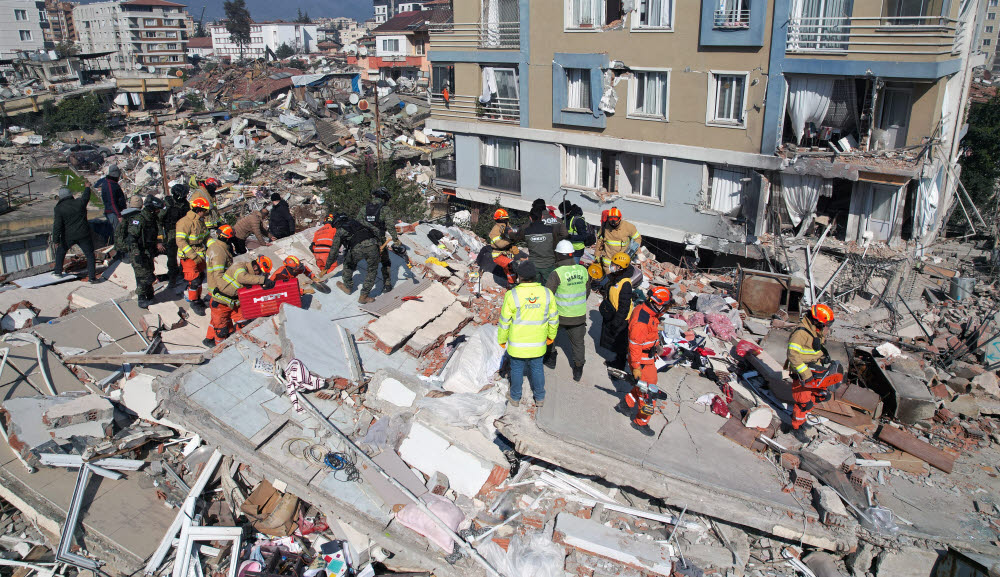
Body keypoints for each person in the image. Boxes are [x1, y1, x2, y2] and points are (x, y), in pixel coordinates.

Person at [497, 260, 558, 409]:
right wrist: (551, 336)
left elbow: (504, 321)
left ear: (520, 277)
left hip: (517, 344)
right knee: (537, 369)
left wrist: (502, 339)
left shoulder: (512, 295)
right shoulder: (546, 293)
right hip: (538, 343)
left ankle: (515, 397)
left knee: (516, 369)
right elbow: (554, 319)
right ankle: (540, 398)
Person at [622, 286, 672, 436]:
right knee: (648, 393)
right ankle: (641, 422)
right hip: (641, 361)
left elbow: (650, 334)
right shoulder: (641, 322)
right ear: (656, 303)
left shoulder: (648, 312)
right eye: (664, 305)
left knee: (644, 386)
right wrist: (636, 367)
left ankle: (626, 404)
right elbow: (635, 346)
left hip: (647, 359)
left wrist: (656, 346)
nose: (665, 309)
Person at [785, 304, 836, 432]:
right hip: (803, 373)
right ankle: (796, 427)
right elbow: (793, 355)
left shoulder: (814, 330)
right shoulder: (800, 333)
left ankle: (801, 419)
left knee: (822, 395)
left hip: (814, 369)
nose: (826, 327)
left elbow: (811, 349)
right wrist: (806, 375)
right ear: (816, 321)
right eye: (824, 324)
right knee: (803, 403)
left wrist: (822, 356)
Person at [544, 240, 590, 381]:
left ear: (558, 255)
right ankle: (578, 370)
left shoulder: (556, 273)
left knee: (549, 336)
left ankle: (551, 359)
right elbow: (587, 291)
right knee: (578, 343)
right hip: (578, 316)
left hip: (559, 315)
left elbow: (548, 295)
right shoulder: (583, 270)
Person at [208, 255, 274, 346]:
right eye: (260, 272)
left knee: (244, 322)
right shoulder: (239, 267)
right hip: (220, 304)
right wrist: (263, 280)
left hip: (234, 304)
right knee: (221, 331)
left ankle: (241, 341)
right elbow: (242, 277)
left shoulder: (251, 274)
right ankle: (219, 348)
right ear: (255, 267)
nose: (260, 275)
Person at [327, 214, 380, 304]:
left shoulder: (340, 230)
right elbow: (376, 230)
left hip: (357, 249)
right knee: (372, 271)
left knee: (348, 265)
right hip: (373, 246)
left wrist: (327, 266)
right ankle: (363, 296)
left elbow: (334, 250)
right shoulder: (359, 221)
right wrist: (378, 243)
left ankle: (347, 287)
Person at [358, 186, 400, 293]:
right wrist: (395, 239)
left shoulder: (364, 208)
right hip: (379, 241)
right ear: (384, 198)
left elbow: (357, 223)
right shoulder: (385, 209)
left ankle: (364, 291)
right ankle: (387, 285)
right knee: (385, 262)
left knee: (371, 264)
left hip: (365, 241)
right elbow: (390, 225)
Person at [126, 195, 165, 309]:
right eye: (157, 209)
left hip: (148, 252)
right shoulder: (139, 219)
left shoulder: (152, 219)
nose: (158, 212)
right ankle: (141, 298)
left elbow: (155, 233)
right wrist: (137, 253)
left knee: (149, 272)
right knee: (144, 277)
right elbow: (132, 238)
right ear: (152, 209)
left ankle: (149, 295)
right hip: (138, 253)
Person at [175, 197, 212, 316]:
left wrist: (214, 247)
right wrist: (192, 255)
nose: (206, 213)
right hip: (188, 256)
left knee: (200, 277)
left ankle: (198, 298)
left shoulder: (200, 221)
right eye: (205, 210)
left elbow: (206, 237)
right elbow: (180, 241)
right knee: (194, 280)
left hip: (200, 253)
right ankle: (193, 301)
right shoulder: (184, 222)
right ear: (198, 209)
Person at [52, 186, 97, 283]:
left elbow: (57, 226)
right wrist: (87, 188)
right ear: (70, 195)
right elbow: (86, 197)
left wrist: (56, 240)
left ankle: (58, 272)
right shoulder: (79, 202)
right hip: (83, 234)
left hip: (68, 236)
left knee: (61, 252)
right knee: (89, 255)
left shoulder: (59, 209)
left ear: (61, 197)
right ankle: (92, 278)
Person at [598, 252, 635, 370]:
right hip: (614, 314)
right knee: (614, 341)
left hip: (622, 318)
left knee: (620, 345)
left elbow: (624, 307)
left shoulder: (625, 284)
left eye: (614, 264)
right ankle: (617, 361)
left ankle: (619, 367)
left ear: (620, 267)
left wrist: (616, 322)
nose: (611, 266)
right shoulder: (615, 277)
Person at [204, 224, 236, 345]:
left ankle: (209, 338)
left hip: (215, 287)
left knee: (216, 316)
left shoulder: (216, 247)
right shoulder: (219, 252)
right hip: (218, 289)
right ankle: (218, 341)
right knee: (221, 317)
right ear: (228, 238)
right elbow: (219, 274)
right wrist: (226, 290)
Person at [523, 206, 567, 284]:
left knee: (536, 286)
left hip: (534, 264)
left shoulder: (527, 231)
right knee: (550, 286)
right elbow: (559, 239)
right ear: (542, 217)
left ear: (530, 218)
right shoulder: (551, 229)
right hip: (549, 264)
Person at [160, 183, 190, 286]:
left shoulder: (185, 205)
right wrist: (160, 237)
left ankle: (183, 273)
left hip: (181, 230)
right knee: (172, 256)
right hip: (170, 232)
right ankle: (172, 277)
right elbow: (159, 219)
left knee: (184, 253)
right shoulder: (167, 203)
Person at [595, 207, 641, 273]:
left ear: (620, 218)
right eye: (610, 219)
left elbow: (637, 238)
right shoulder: (605, 227)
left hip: (622, 261)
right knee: (609, 280)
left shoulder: (628, 227)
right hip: (608, 261)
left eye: (615, 218)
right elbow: (600, 241)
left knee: (620, 280)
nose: (613, 221)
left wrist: (632, 252)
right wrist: (597, 254)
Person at [488, 208, 519, 286]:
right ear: (498, 220)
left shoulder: (507, 227)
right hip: (498, 255)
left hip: (507, 253)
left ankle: (512, 285)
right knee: (511, 265)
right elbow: (500, 244)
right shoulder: (495, 230)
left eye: (506, 220)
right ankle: (512, 285)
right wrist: (510, 240)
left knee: (511, 271)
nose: (505, 222)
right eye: (503, 220)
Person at [99, 164, 126, 233]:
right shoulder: (109, 185)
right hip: (113, 214)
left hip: (115, 212)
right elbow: (112, 202)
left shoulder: (111, 183)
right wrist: (119, 215)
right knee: (119, 233)